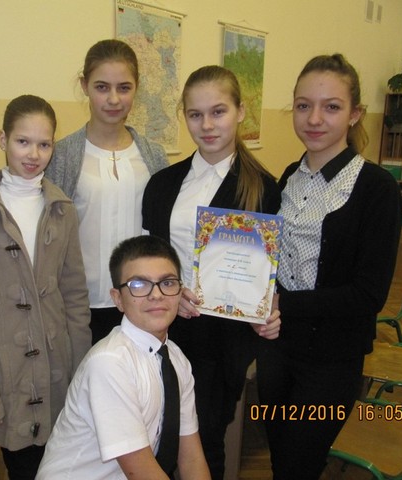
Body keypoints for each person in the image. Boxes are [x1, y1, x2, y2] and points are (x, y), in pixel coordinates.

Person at [256, 54, 402, 479]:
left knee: (299, 462)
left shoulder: (377, 188)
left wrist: (284, 304)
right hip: (277, 348)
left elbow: (368, 295)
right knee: (280, 456)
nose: (314, 119)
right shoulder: (289, 176)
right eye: (303, 105)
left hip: (332, 358)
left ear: (355, 113)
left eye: (331, 107)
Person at [142, 65, 281, 479]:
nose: (207, 125)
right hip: (163, 330)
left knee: (204, 443)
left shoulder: (263, 188)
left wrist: (269, 307)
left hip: (220, 342)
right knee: (157, 434)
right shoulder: (164, 183)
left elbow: (269, 273)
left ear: (241, 112)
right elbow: (151, 255)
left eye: (218, 112)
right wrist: (171, 292)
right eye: (195, 114)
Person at [0, 95, 91, 480]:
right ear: (3, 140)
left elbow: (75, 297)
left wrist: (82, 372)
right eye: (22, 141)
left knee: (62, 466)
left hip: (58, 368)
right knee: (23, 468)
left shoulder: (62, 210)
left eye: (44, 144)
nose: (33, 154)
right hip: (7, 374)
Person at [36, 235, 211, 480]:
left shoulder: (176, 359)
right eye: (139, 285)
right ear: (118, 299)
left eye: (167, 283)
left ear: (180, 291)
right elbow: (143, 473)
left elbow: (191, 458)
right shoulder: (110, 362)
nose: (156, 294)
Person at [45, 39, 168, 344]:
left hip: (142, 304)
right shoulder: (62, 156)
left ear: (136, 89)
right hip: (80, 306)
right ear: (84, 86)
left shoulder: (154, 156)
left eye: (124, 88)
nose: (113, 99)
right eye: (102, 87)